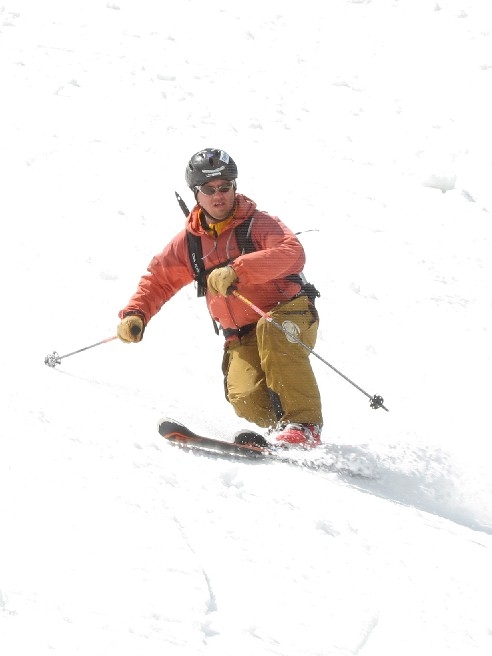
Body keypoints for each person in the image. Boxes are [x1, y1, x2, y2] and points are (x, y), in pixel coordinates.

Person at [117, 148, 323, 447]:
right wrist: (136, 314)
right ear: (196, 195)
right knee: (244, 396)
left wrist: (239, 270)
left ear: (234, 188)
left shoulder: (258, 223)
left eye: (225, 187)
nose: (219, 195)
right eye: (209, 189)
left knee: (273, 332)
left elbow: (292, 254)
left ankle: (303, 426)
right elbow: (159, 279)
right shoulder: (189, 243)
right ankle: (281, 433)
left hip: (288, 311)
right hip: (242, 332)